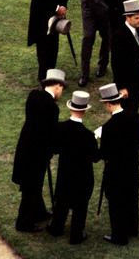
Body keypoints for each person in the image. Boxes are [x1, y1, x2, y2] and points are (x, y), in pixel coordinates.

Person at [12, 69, 66, 232]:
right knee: (32, 187)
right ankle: (24, 223)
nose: (61, 92)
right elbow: (50, 133)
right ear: (57, 86)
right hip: (37, 154)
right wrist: (55, 149)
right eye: (61, 88)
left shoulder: (33, 96)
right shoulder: (52, 107)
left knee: (32, 185)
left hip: (25, 148)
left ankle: (39, 212)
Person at [47, 91, 99, 244]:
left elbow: (55, 148)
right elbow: (95, 158)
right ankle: (76, 234)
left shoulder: (60, 128)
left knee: (62, 200)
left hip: (65, 173)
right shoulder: (88, 136)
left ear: (71, 108)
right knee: (80, 205)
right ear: (84, 111)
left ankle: (56, 227)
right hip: (83, 175)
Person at [98, 83, 139, 246]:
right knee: (132, 197)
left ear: (109, 104)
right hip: (132, 167)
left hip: (116, 170)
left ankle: (119, 236)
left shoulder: (108, 128)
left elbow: (103, 153)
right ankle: (132, 228)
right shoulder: (134, 116)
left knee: (117, 202)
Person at [111, 0, 139, 113]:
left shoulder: (137, 29)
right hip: (127, 83)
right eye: (137, 18)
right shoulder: (119, 36)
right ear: (128, 17)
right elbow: (116, 63)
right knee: (126, 112)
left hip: (137, 79)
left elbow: (137, 51)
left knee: (134, 109)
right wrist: (121, 87)